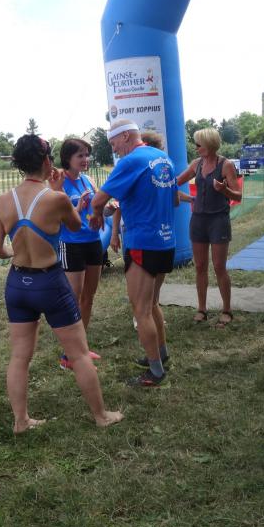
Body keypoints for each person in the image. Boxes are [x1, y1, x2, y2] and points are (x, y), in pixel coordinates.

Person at [0, 134, 123, 431]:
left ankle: (21, 421)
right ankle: (101, 416)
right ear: (47, 162)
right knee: (78, 353)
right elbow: (76, 225)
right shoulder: (56, 197)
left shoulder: (3, 200)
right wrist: (61, 193)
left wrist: (16, 251)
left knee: (19, 356)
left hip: (17, 284)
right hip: (49, 281)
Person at [90, 120, 178, 387]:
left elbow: (98, 200)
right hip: (166, 241)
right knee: (152, 304)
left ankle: (155, 372)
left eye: (114, 142)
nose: (114, 149)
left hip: (142, 242)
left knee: (141, 311)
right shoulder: (164, 159)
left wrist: (97, 215)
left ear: (126, 136)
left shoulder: (130, 161)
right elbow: (174, 200)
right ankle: (161, 354)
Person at [175, 127, 242, 327]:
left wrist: (224, 190)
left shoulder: (225, 165)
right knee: (200, 266)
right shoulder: (196, 164)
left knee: (219, 267)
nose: (196, 148)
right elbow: (175, 182)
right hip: (198, 220)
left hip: (218, 221)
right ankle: (202, 309)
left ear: (209, 144)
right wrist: (159, 182)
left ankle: (227, 310)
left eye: (199, 144)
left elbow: (238, 196)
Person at [56, 138, 104, 370]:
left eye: (87, 155)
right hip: (71, 244)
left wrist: (105, 210)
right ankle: (68, 354)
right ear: (68, 158)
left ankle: (81, 347)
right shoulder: (58, 182)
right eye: (80, 155)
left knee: (88, 296)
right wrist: (76, 208)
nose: (86, 159)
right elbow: (54, 218)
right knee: (72, 300)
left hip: (93, 241)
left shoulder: (88, 180)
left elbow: (98, 208)